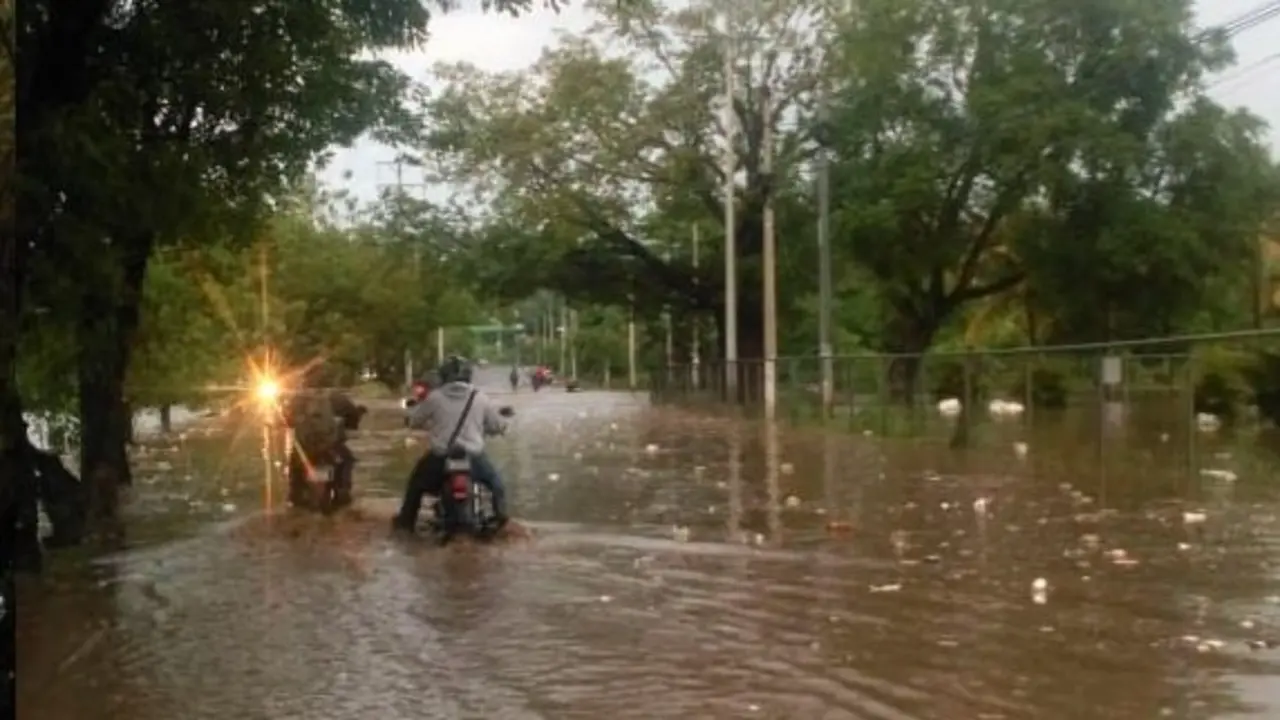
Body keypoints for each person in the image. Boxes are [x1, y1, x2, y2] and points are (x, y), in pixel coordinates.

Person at [393, 355, 514, 532]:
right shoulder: (480, 398)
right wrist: (499, 427)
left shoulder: (435, 398)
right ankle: (500, 518)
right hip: (474, 458)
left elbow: (414, 420)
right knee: (496, 484)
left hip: (440, 458)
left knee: (415, 486)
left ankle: (406, 523)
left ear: (443, 376)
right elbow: (497, 426)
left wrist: (417, 420)